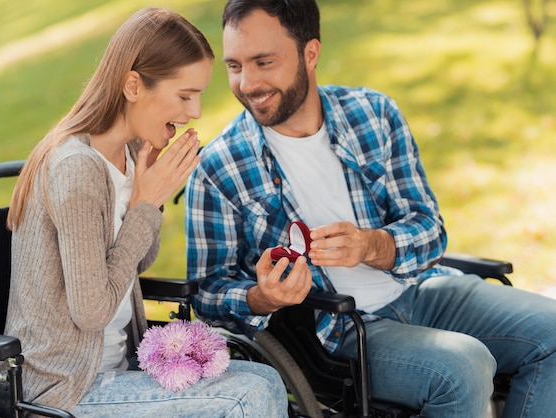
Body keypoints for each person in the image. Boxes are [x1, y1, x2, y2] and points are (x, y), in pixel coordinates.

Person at [184, 1, 556, 417]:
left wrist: (373, 245)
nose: (247, 83)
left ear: (310, 53)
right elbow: (207, 291)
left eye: (263, 62)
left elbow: (430, 228)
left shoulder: (374, 114)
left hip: (421, 288)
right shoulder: (218, 167)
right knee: (462, 366)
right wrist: (260, 297)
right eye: (234, 66)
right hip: (340, 332)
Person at [0, 7, 288, 418]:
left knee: (267, 380)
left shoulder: (131, 153)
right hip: (63, 388)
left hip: (119, 367)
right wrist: (147, 205)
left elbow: (138, 260)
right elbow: (92, 311)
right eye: (185, 95)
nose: (196, 112)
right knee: (242, 399)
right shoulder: (76, 168)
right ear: (133, 85)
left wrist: (150, 197)